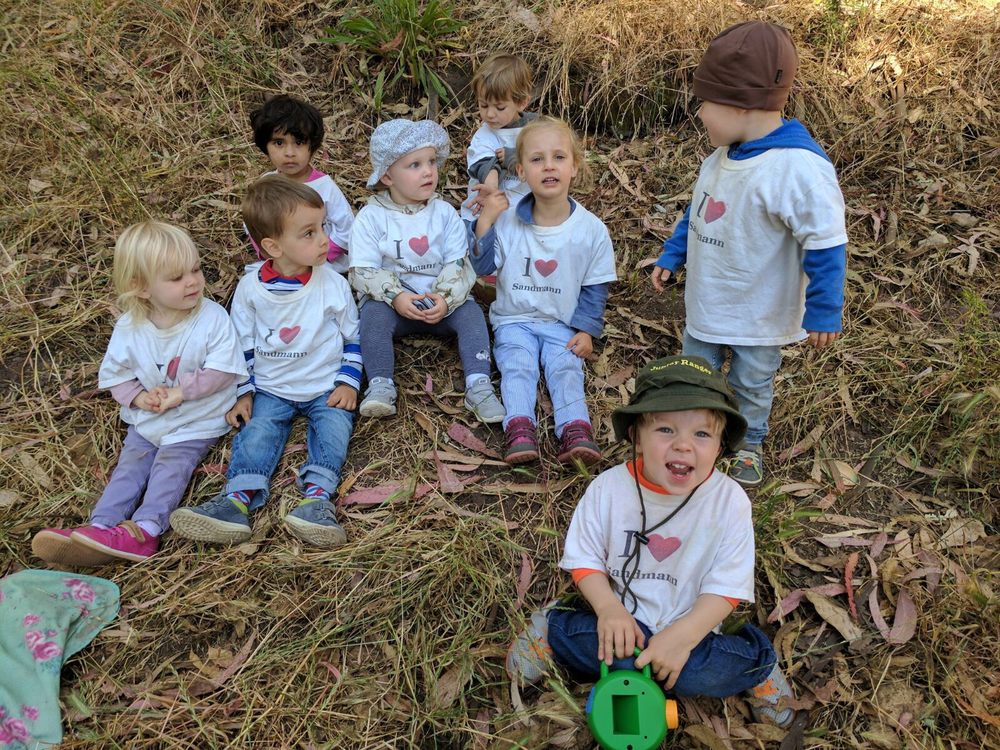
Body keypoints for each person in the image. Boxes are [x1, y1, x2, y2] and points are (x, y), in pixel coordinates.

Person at [506, 356, 795, 727]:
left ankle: (758, 665)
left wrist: (685, 635)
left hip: (693, 630)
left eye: (702, 434)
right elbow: (585, 560)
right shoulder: (608, 489)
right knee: (607, 650)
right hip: (623, 621)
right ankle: (553, 628)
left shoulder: (729, 502)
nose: (683, 446)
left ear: (721, 446)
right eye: (666, 430)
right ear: (636, 437)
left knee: (696, 676)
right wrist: (609, 609)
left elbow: (727, 587)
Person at [650, 21, 847, 486]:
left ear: (741, 104)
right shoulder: (719, 159)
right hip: (708, 301)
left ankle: (748, 442)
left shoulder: (798, 170)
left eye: (706, 103)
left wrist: (824, 310)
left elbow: (825, 241)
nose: (699, 114)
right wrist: (672, 254)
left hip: (759, 312)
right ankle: (694, 437)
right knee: (695, 371)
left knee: (752, 381)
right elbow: (697, 214)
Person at [32, 221, 246, 566]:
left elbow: (222, 371)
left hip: (196, 419)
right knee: (129, 467)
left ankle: (146, 530)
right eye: (176, 278)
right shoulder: (130, 327)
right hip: (150, 417)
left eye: (195, 269)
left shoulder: (211, 318)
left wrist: (180, 394)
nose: (192, 281)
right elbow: (117, 375)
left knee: (169, 467)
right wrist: (137, 397)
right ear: (142, 288)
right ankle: (99, 528)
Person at [169, 176, 361, 548]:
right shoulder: (251, 289)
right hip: (272, 388)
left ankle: (317, 501)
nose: (324, 239)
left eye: (322, 227)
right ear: (273, 246)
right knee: (257, 432)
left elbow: (353, 336)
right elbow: (241, 344)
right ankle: (235, 502)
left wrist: (348, 382)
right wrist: (244, 393)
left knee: (335, 430)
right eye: (308, 233)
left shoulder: (333, 285)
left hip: (324, 386)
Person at [472, 116, 617, 465]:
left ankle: (575, 429)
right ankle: (520, 429)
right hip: (514, 320)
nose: (548, 166)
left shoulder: (591, 230)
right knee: (517, 366)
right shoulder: (509, 222)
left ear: (574, 167)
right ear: (521, 171)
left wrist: (586, 329)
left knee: (565, 368)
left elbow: (595, 285)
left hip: (561, 323)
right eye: (537, 160)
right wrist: (486, 222)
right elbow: (483, 267)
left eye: (558, 158)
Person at [349, 118, 504, 423]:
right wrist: (396, 296)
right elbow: (362, 270)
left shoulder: (444, 213)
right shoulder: (371, 217)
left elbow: (458, 263)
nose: (428, 171)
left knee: (472, 316)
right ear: (387, 176)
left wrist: (445, 298)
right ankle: (380, 383)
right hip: (394, 305)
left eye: (432, 161)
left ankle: (479, 385)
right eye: (415, 165)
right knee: (371, 318)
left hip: (441, 302)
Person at [249, 94, 354, 271]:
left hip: (322, 263)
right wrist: (268, 254)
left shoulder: (324, 186)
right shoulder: (266, 186)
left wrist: (324, 253)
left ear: (311, 146)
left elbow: (346, 228)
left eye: (298, 142)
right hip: (280, 263)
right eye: (279, 143)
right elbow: (254, 224)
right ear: (265, 146)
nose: (289, 153)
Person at [460, 53, 537, 222]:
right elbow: (486, 166)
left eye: (500, 107)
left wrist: (516, 158)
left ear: (522, 102)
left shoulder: (536, 127)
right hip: (485, 209)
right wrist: (491, 189)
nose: (490, 114)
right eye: (483, 105)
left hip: (525, 209)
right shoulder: (484, 136)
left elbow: (549, 153)